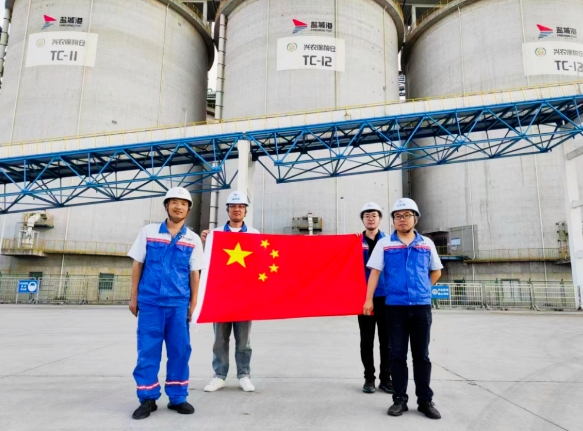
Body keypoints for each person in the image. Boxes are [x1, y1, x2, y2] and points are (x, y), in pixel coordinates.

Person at [127, 187, 205, 420]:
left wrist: (193, 303)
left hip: (178, 304)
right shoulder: (149, 232)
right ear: (166, 206)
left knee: (180, 351)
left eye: (183, 203)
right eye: (174, 202)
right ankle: (147, 398)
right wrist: (133, 297)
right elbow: (138, 264)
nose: (178, 207)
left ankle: (178, 397)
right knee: (147, 350)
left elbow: (194, 273)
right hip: (150, 302)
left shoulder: (193, 239)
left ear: (188, 209)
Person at [363, 198, 443, 420]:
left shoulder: (426, 243)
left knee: (421, 355)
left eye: (407, 215)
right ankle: (399, 399)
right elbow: (375, 273)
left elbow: (436, 271)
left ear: (415, 218)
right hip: (395, 307)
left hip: (421, 308)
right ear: (393, 220)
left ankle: (425, 400)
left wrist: (422, 289)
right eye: (397, 216)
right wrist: (369, 300)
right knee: (397, 354)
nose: (402, 219)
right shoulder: (385, 244)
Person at [201, 191, 259, 393]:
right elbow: (205, 262)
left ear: (245, 211)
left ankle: (244, 375)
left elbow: (259, 263)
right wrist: (204, 242)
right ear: (227, 209)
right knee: (220, 340)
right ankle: (219, 376)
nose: (237, 210)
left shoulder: (254, 234)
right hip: (221, 296)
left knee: (244, 341)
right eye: (233, 206)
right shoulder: (214, 234)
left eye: (241, 206)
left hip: (244, 296)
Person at [357, 202, 393, 394]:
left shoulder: (388, 241)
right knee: (366, 340)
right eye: (367, 216)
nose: (371, 219)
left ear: (380, 219)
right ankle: (369, 378)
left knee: (387, 341)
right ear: (362, 220)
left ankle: (386, 378)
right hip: (364, 298)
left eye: (374, 215)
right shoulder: (356, 242)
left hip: (386, 297)